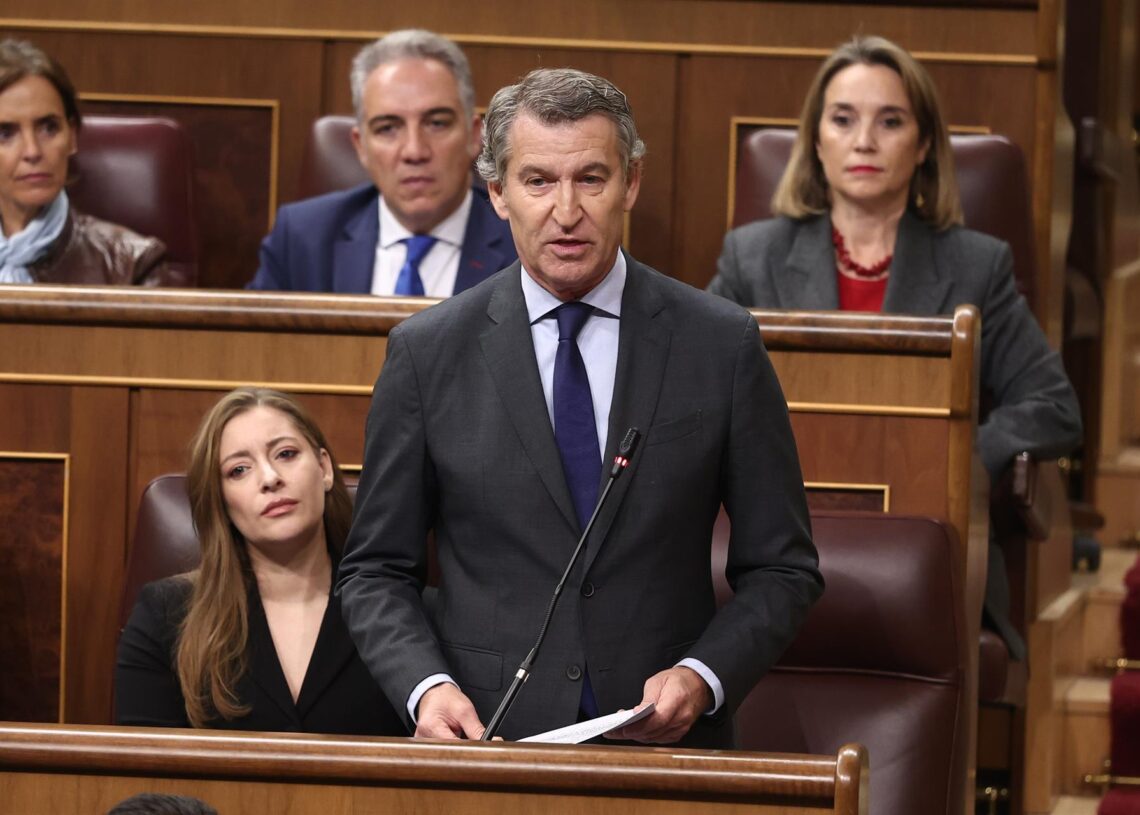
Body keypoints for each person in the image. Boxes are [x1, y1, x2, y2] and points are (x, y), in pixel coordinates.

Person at [337, 68, 822, 748]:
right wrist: (427, 686)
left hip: (664, 744)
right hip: (491, 739)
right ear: (498, 193)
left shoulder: (720, 343)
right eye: (538, 181)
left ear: (632, 183)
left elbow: (783, 567)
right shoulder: (426, 354)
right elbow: (376, 569)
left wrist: (704, 674)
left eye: (591, 178)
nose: (566, 211)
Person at [707, 35, 1082, 658]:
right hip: (771, 535)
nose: (864, 141)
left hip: (922, 539)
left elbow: (1054, 405)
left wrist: (952, 454)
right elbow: (692, 388)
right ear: (817, 140)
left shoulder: (976, 265)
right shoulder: (754, 257)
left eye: (891, 121)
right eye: (843, 119)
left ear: (926, 143)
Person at [116, 387, 405, 736]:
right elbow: (144, 772)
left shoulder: (404, 610)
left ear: (324, 468)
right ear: (220, 501)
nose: (270, 478)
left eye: (285, 453)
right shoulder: (166, 616)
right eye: (239, 470)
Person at [248, 29, 515, 295]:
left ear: (473, 136)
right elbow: (251, 338)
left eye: (436, 123)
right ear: (360, 146)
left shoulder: (520, 241)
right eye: (388, 128)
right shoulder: (301, 238)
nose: (414, 151)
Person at [0, 39, 174, 286]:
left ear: (71, 136)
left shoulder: (134, 265)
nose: (32, 151)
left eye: (49, 128)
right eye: (5, 133)